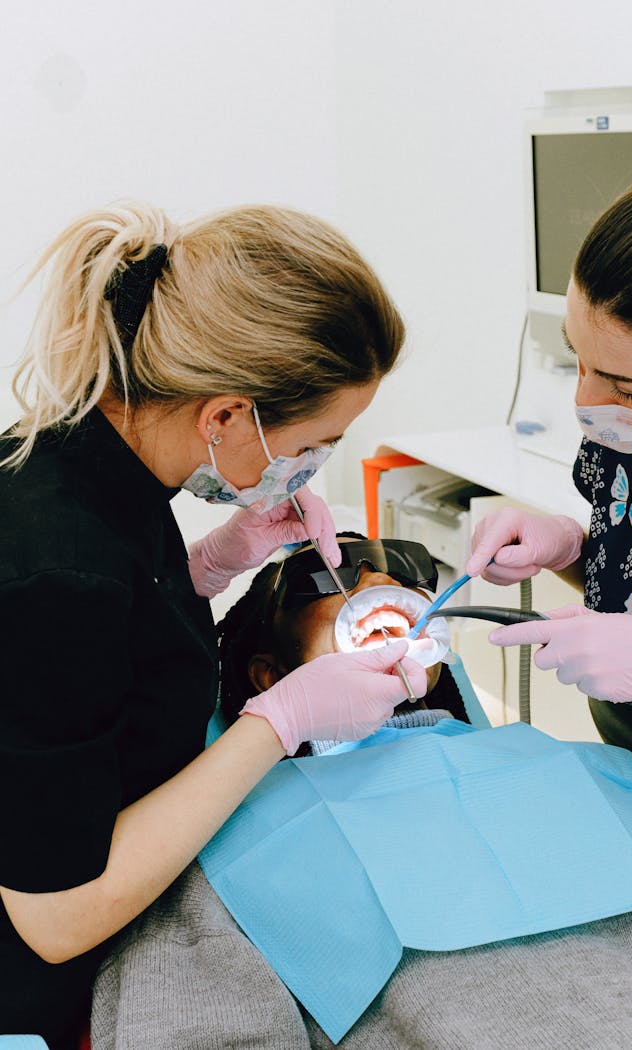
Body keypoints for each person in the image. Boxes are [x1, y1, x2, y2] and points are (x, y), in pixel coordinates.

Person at [0, 201, 428, 1048]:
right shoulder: (58, 567)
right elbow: (54, 919)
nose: (312, 467)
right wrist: (281, 724)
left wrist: (211, 563)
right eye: (317, 443)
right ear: (227, 416)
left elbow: (83, 665)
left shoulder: (94, 459)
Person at [90, 535, 632, 1050]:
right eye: (325, 577)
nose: (379, 578)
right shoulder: (227, 842)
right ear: (270, 678)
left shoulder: (587, 771)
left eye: (405, 568)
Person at [466, 170, 632, 817]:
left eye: (626, 387)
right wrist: (571, 549)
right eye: (578, 360)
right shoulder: (626, 442)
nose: (585, 402)